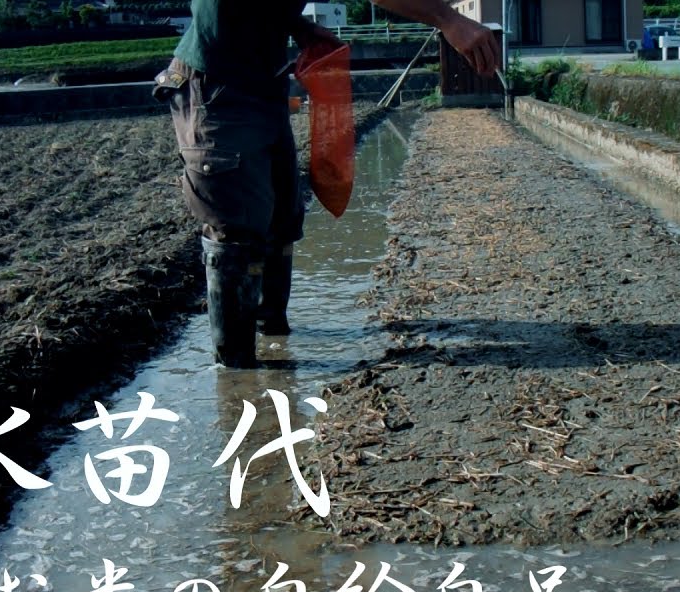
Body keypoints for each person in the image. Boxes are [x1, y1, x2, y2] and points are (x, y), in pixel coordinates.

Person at [154, 1, 501, 368]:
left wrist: (297, 25)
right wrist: (446, 17)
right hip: (215, 85)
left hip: (262, 84)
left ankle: (275, 347)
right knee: (236, 227)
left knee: (280, 218)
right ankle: (237, 376)